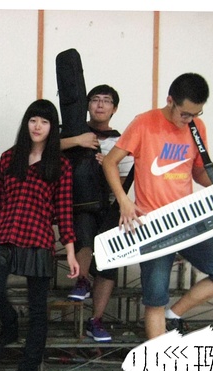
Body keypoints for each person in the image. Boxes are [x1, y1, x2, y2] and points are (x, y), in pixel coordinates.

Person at [103, 72, 213, 339]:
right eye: (185, 114)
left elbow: (198, 172)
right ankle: (158, 358)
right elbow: (110, 162)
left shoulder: (196, 127)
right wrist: (124, 201)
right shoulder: (144, 123)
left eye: (196, 114)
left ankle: (175, 314)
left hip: (188, 217)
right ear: (170, 100)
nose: (189, 120)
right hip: (153, 224)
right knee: (155, 299)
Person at [0, 99, 79, 371]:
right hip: (5, 234)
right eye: (33, 120)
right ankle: (10, 326)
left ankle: (27, 369)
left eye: (44, 122)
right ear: (26, 123)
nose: (37, 126)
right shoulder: (9, 158)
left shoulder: (61, 165)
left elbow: (64, 211)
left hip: (38, 239)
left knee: (38, 311)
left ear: (52, 128)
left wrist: (70, 251)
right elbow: (1, 202)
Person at [60, 84, 133, 342]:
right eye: (95, 100)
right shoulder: (73, 131)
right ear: (87, 104)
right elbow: (44, 149)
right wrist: (78, 141)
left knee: (109, 261)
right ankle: (82, 280)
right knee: (84, 226)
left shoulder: (121, 142)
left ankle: (96, 320)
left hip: (110, 207)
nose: (100, 105)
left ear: (114, 108)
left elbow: (123, 184)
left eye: (106, 101)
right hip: (77, 206)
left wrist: (106, 168)